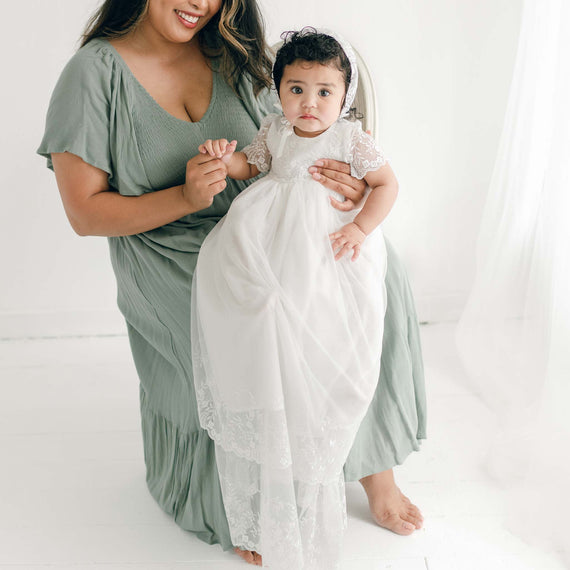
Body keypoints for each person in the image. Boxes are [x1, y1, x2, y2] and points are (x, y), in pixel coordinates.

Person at [36, 0, 426, 566]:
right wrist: (186, 197)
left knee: (371, 277)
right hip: (167, 247)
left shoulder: (237, 56)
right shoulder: (94, 75)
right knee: (256, 319)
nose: (201, 2)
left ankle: (371, 465)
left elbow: (309, 132)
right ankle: (253, 494)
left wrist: (349, 190)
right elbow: (85, 214)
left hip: (265, 228)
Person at [191, 28, 398, 570]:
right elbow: (253, 165)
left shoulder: (351, 139)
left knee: (318, 323)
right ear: (279, 92)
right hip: (268, 235)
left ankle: (317, 472)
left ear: (344, 96)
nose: (309, 103)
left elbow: (387, 185)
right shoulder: (275, 130)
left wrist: (361, 229)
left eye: (324, 91)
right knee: (254, 297)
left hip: (325, 242)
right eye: (297, 89)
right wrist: (225, 159)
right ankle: (268, 501)